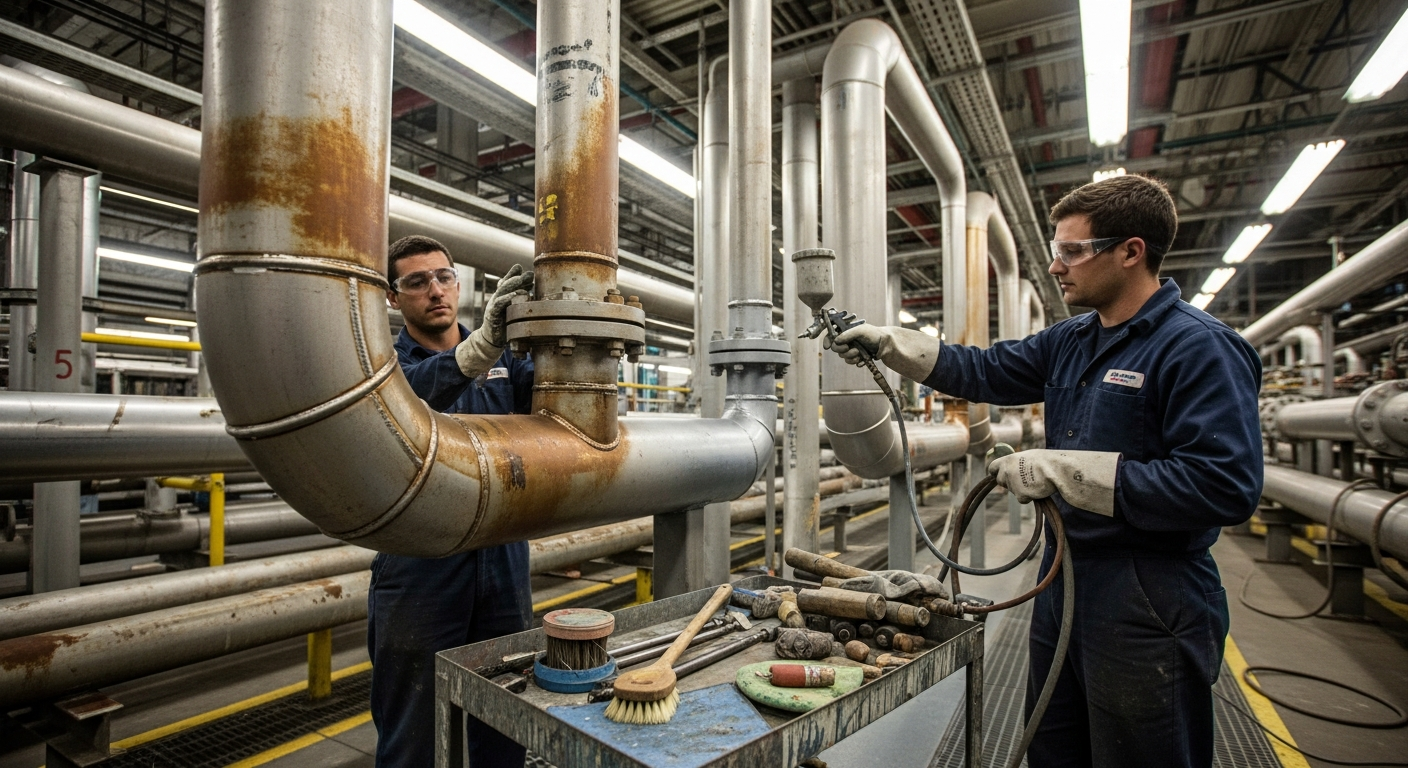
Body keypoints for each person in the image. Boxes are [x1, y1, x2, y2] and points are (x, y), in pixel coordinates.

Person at [827, 175, 1262, 767]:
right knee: (1056, 747)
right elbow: (981, 369)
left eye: (1072, 251)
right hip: (1064, 580)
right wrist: (889, 343)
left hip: (1150, 593)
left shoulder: (1199, 347)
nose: (1056, 267)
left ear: (1132, 251)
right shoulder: (1072, 340)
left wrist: (1064, 471)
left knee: (1141, 755)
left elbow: (1223, 485)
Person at [368, 235, 535, 768]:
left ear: (458, 283)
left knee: (505, 721)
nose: (434, 291)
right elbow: (403, 402)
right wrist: (478, 350)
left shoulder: (507, 360)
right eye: (416, 282)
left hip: (503, 560)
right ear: (395, 298)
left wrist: (579, 333)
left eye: (443, 277)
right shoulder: (384, 363)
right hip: (419, 564)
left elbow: (560, 400)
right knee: (414, 734)